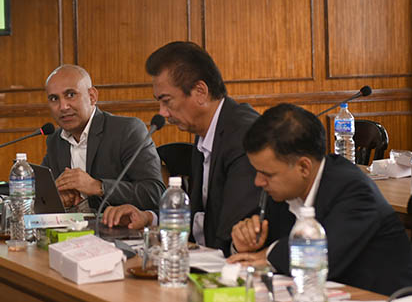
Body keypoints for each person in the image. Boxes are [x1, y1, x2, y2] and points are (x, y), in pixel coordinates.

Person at [228, 103, 412, 296]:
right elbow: (260, 254)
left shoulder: (355, 191)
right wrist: (245, 243)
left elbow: (319, 257)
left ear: (304, 167)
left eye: (266, 174)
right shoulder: (282, 189)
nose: (258, 181)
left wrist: (268, 253)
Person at [102, 41, 262, 255]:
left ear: (200, 92)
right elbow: (200, 216)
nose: (162, 112)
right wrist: (150, 218)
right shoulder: (206, 132)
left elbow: (229, 230)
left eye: (167, 101)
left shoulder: (244, 135)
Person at [40, 64, 164, 211]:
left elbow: (155, 193)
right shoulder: (55, 140)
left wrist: (98, 186)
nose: (63, 106)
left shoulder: (127, 130)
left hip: (119, 224)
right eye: (54, 98)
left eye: (71, 95)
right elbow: (44, 193)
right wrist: (58, 197)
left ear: (92, 97)